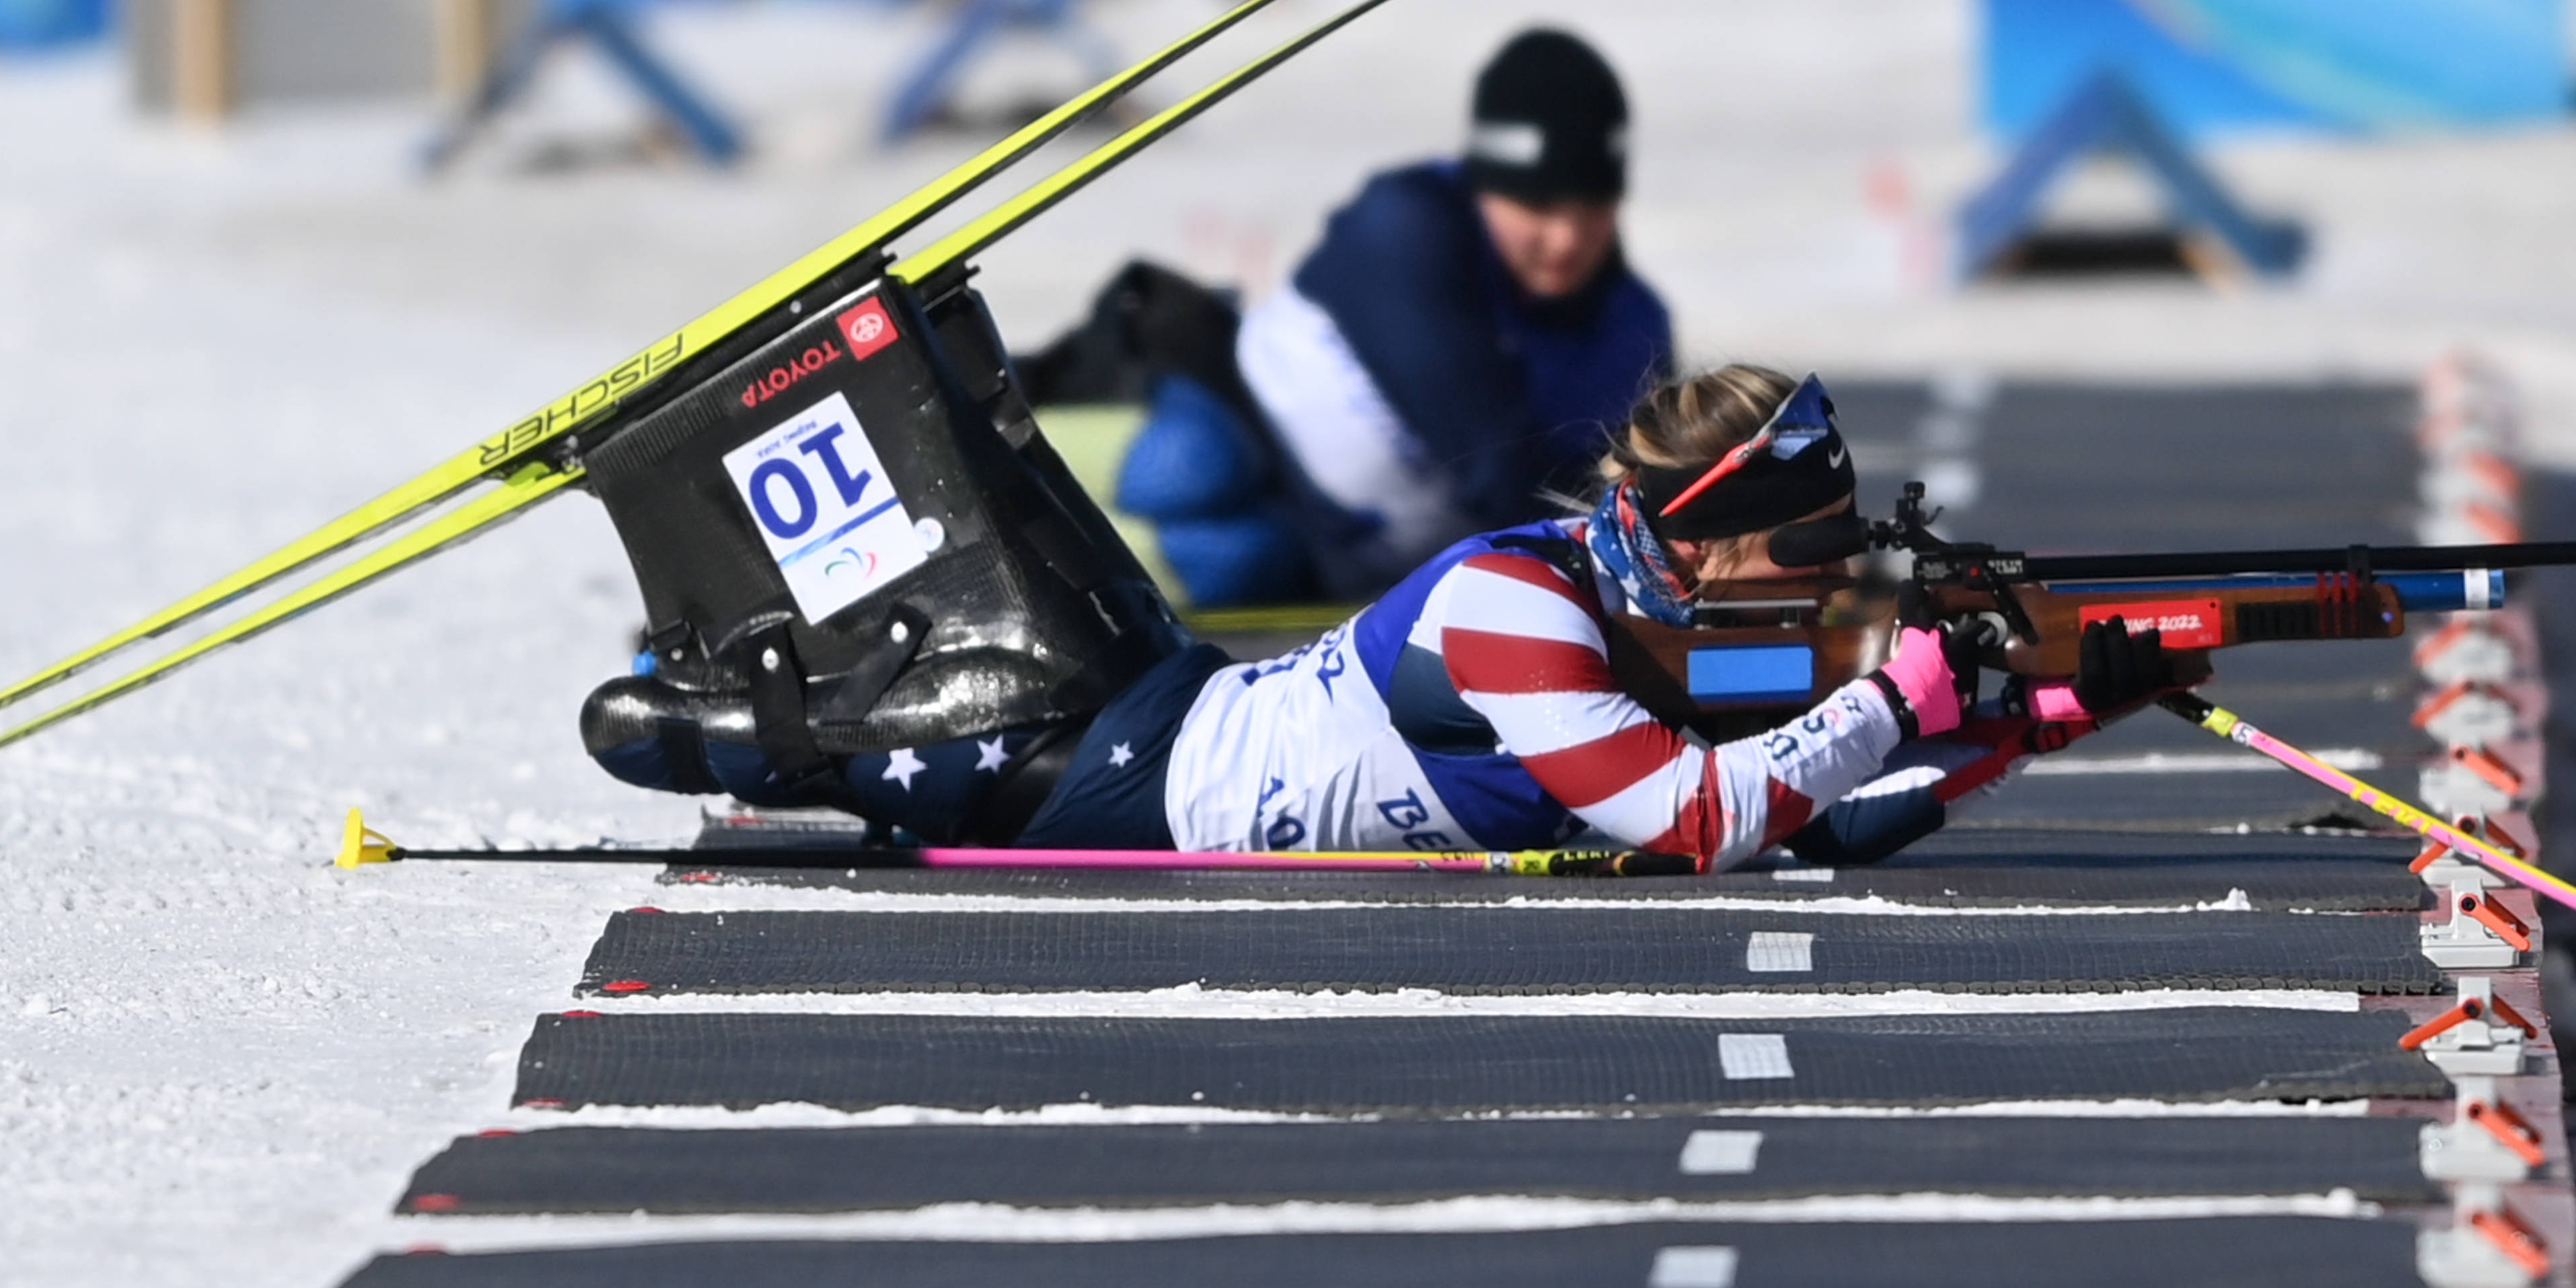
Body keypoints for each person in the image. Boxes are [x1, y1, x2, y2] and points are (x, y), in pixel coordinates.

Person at [784, 365, 2190, 870]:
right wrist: (1897, 701)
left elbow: (1828, 819)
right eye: (1815, 538)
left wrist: (2029, 725)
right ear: (1695, 537)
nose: (1842, 571)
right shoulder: (1515, 605)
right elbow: (1703, 820)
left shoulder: (1687, 632)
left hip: (1159, 715)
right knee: (756, 733)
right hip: (1092, 776)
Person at [1098, 27, 1675, 606]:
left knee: (1249, 557)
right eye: (1539, 206)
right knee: (1186, 470)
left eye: (1592, 209)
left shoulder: (1632, 328)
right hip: (1246, 431)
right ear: (1486, 191)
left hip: (1342, 555)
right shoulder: (1405, 223)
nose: (1566, 239)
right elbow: (1493, 463)